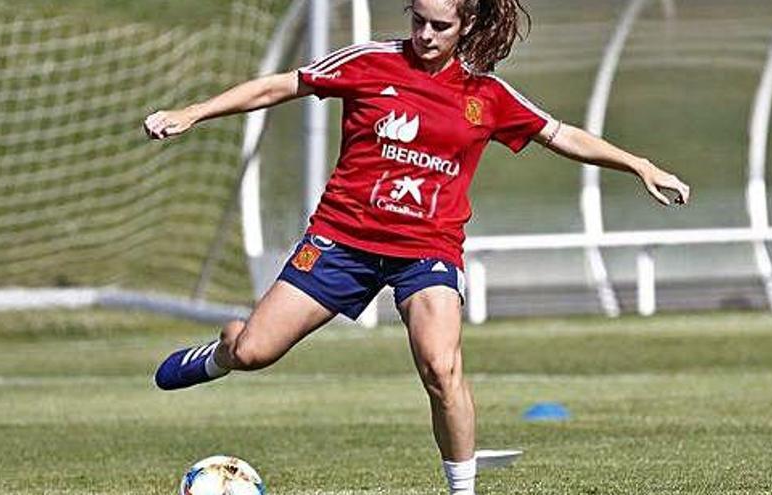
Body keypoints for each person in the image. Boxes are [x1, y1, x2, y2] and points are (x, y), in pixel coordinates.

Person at [144, 0, 691, 493]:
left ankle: (463, 491)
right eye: (417, 20)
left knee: (441, 366)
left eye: (440, 25)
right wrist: (191, 112)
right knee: (253, 352)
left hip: (427, 249)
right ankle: (219, 355)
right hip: (341, 240)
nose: (425, 34)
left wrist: (638, 164)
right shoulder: (368, 62)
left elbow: (561, 133)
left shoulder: (487, 93)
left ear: (467, 24)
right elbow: (278, 87)